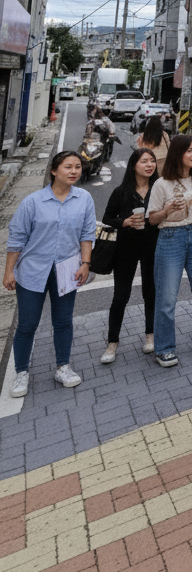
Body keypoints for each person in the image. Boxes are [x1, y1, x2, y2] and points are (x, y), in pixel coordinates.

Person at [4, 151, 95, 397]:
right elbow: (17, 238)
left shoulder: (84, 199)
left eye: (78, 167)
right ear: (54, 171)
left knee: (63, 321)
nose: (74, 171)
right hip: (32, 271)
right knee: (27, 324)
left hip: (67, 270)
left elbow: (87, 234)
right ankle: (21, 371)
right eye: (68, 167)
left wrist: (85, 263)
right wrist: (9, 271)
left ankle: (63, 367)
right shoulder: (33, 202)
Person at [148, 134, 192, 368]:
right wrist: (168, 210)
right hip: (171, 237)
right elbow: (152, 219)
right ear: (177, 154)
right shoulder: (161, 184)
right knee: (167, 297)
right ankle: (164, 348)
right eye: (190, 150)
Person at [100, 148, 159, 363]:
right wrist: (124, 222)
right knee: (121, 296)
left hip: (152, 246)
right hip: (125, 248)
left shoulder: (159, 188)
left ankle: (150, 335)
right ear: (134, 165)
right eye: (144, 161)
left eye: (152, 161)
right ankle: (112, 342)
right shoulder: (121, 191)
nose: (149, 165)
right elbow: (107, 218)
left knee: (151, 292)